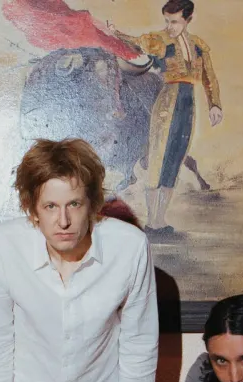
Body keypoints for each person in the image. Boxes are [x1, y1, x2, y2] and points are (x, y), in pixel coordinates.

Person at [0, 138, 158, 382]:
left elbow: (140, 341)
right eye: (50, 206)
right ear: (32, 209)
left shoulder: (130, 247)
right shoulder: (3, 245)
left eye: (74, 204)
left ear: (92, 204)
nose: (63, 221)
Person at [101, 0, 222, 233]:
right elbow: (136, 42)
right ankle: (151, 221)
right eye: (167, 21)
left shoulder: (198, 45)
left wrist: (214, 104)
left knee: (176, 157)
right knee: (159, 156)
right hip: (167, 101)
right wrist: (115, 33)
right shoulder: (160, 40)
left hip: (188, 105)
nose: (169, 26)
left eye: (174, 21)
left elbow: (210, 77)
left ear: (188, 20)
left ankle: (160, 220)